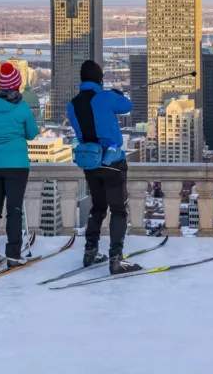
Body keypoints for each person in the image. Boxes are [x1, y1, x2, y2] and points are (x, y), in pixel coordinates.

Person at [67, 60, 142, 275]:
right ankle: (116, 259)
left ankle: (90, 252)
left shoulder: (72, 104)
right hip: (112, 162)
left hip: (90, 163)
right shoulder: (106, 97)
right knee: (118, 210)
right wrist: (115, 94)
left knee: (97, 207)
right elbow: (127, 106)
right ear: (100, 78)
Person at [0, 62, 39, 267]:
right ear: (17, 86)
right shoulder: (22, 108)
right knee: (15, 209)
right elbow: (32, 134)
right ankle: (13, 254)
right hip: (17, 165)